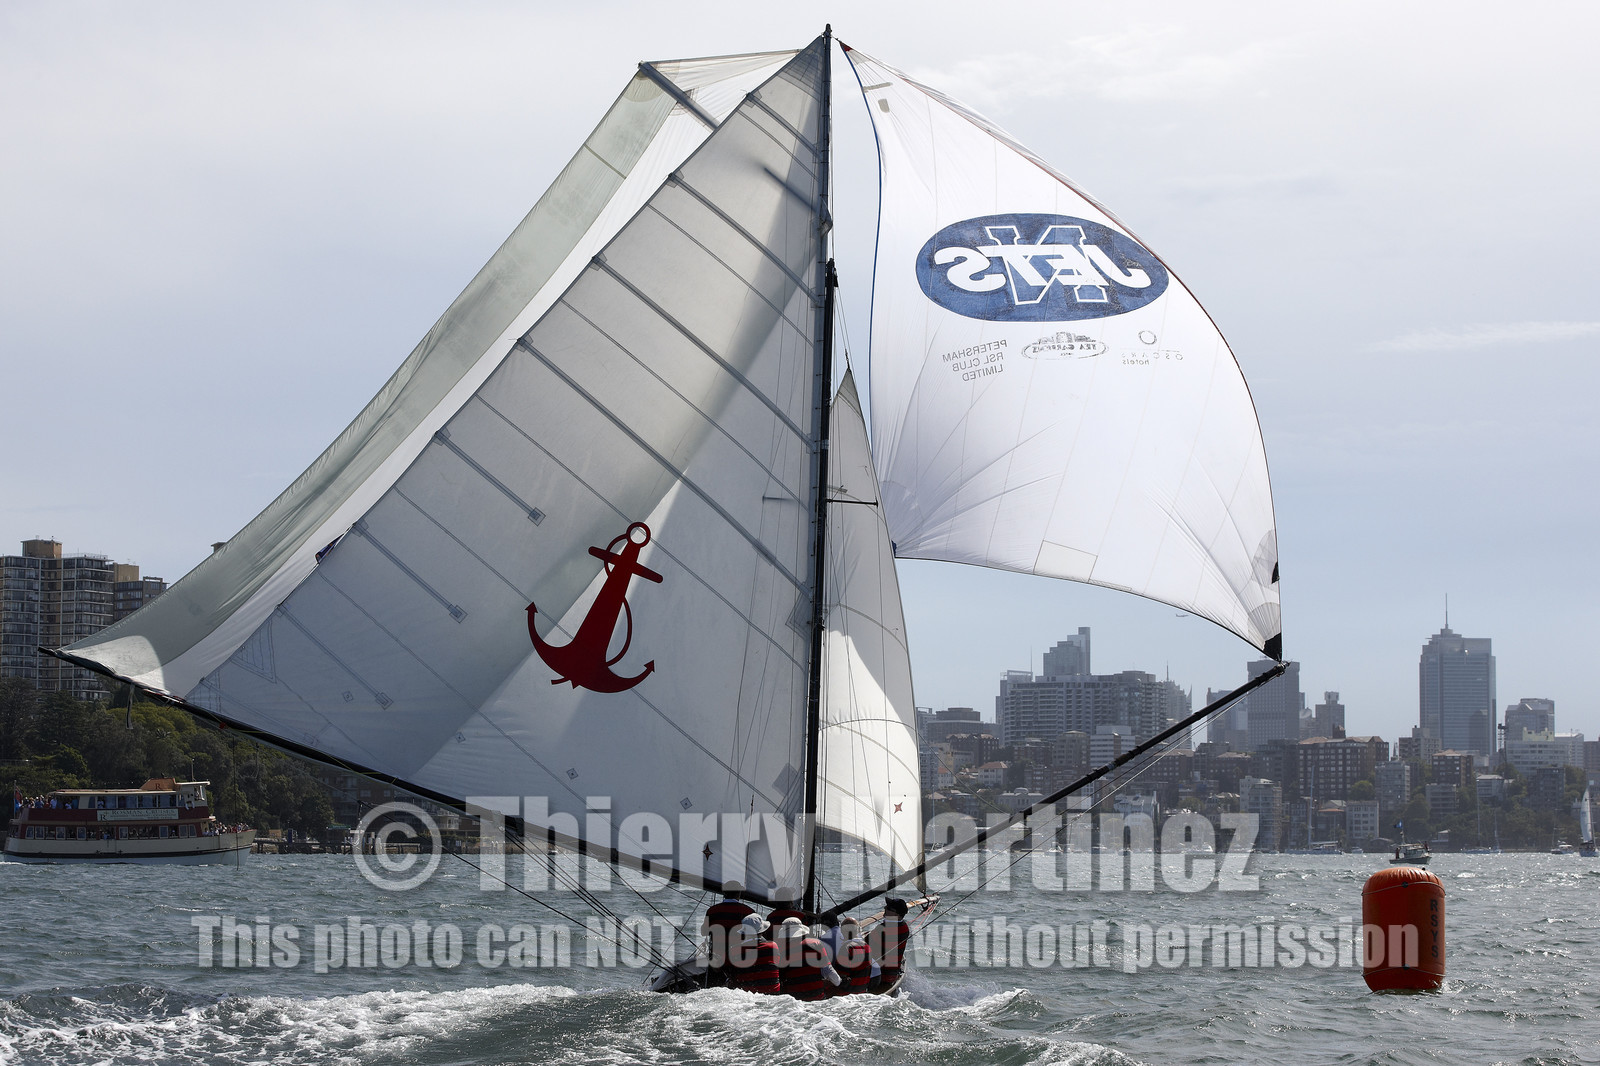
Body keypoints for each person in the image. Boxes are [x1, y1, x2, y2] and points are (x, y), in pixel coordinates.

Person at [772, 917, 840, 1001]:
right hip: (817, 997)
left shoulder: (782, 951)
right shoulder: (815, 944)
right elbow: (828, 971)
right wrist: (839, 982)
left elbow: (781, 977)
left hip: (795, 1000)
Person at [700, 880, 755, 981]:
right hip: (740, 958)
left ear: (724, 893)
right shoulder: (749, 912)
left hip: (717, 958)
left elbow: (704, 932)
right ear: (739, 893)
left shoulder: (712, 911)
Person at [725, 914, 781, 994]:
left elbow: (729, 972)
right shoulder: (773, 946)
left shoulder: (734, 951)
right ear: (762, 931)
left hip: (746, 996)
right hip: (772, 994)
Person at [866, 898, 911, 992]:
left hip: (879, 976)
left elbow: (866, 943)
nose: (885, 908)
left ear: (897, 915)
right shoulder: (904, 927)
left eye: (889, 908)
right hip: (892, 974)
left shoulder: (882, 929)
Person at [828, 916, 877, 995]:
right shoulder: (867, 947)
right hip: (862, 990)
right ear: (857, 930)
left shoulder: (846, 949)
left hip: (846, 993)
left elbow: (839, 978)